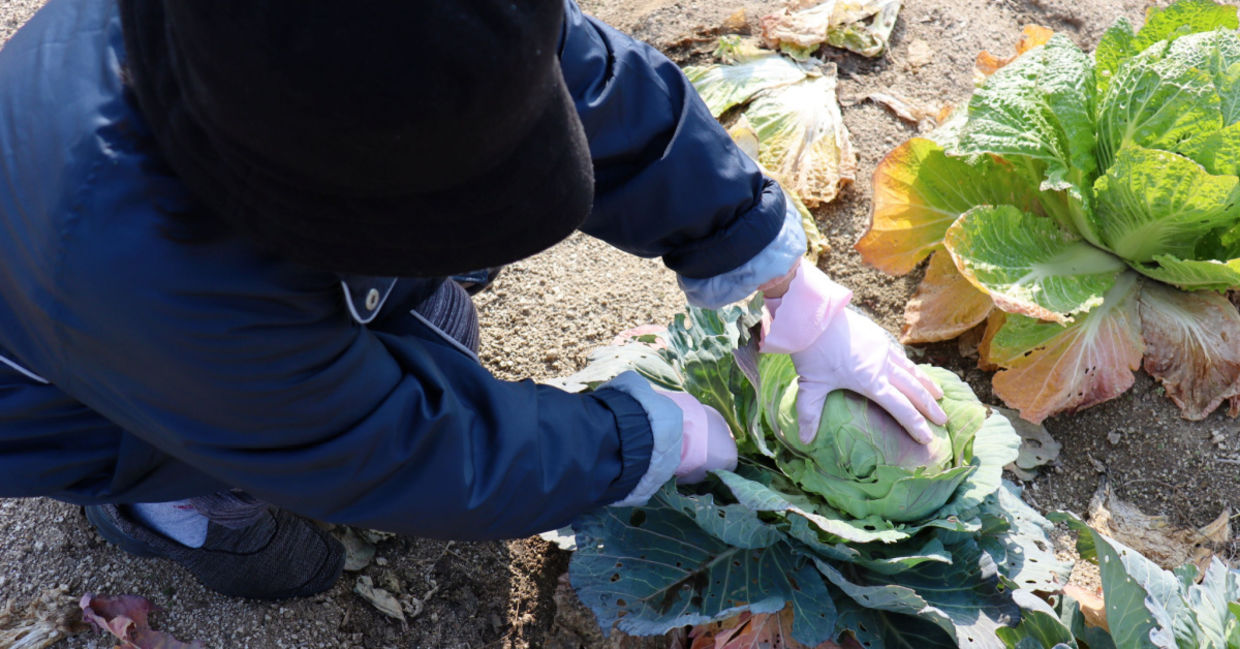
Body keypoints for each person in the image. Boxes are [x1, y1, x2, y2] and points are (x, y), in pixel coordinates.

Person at [0, 0, 947, 600]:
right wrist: (639, 440)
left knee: (417, 319)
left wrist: (771, 266)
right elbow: (389, 451)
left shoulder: (396, 29)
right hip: (64, 387)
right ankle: (172, 506)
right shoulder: (149, 271)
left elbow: (585, 84)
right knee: (216, 448)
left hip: (224, 276)